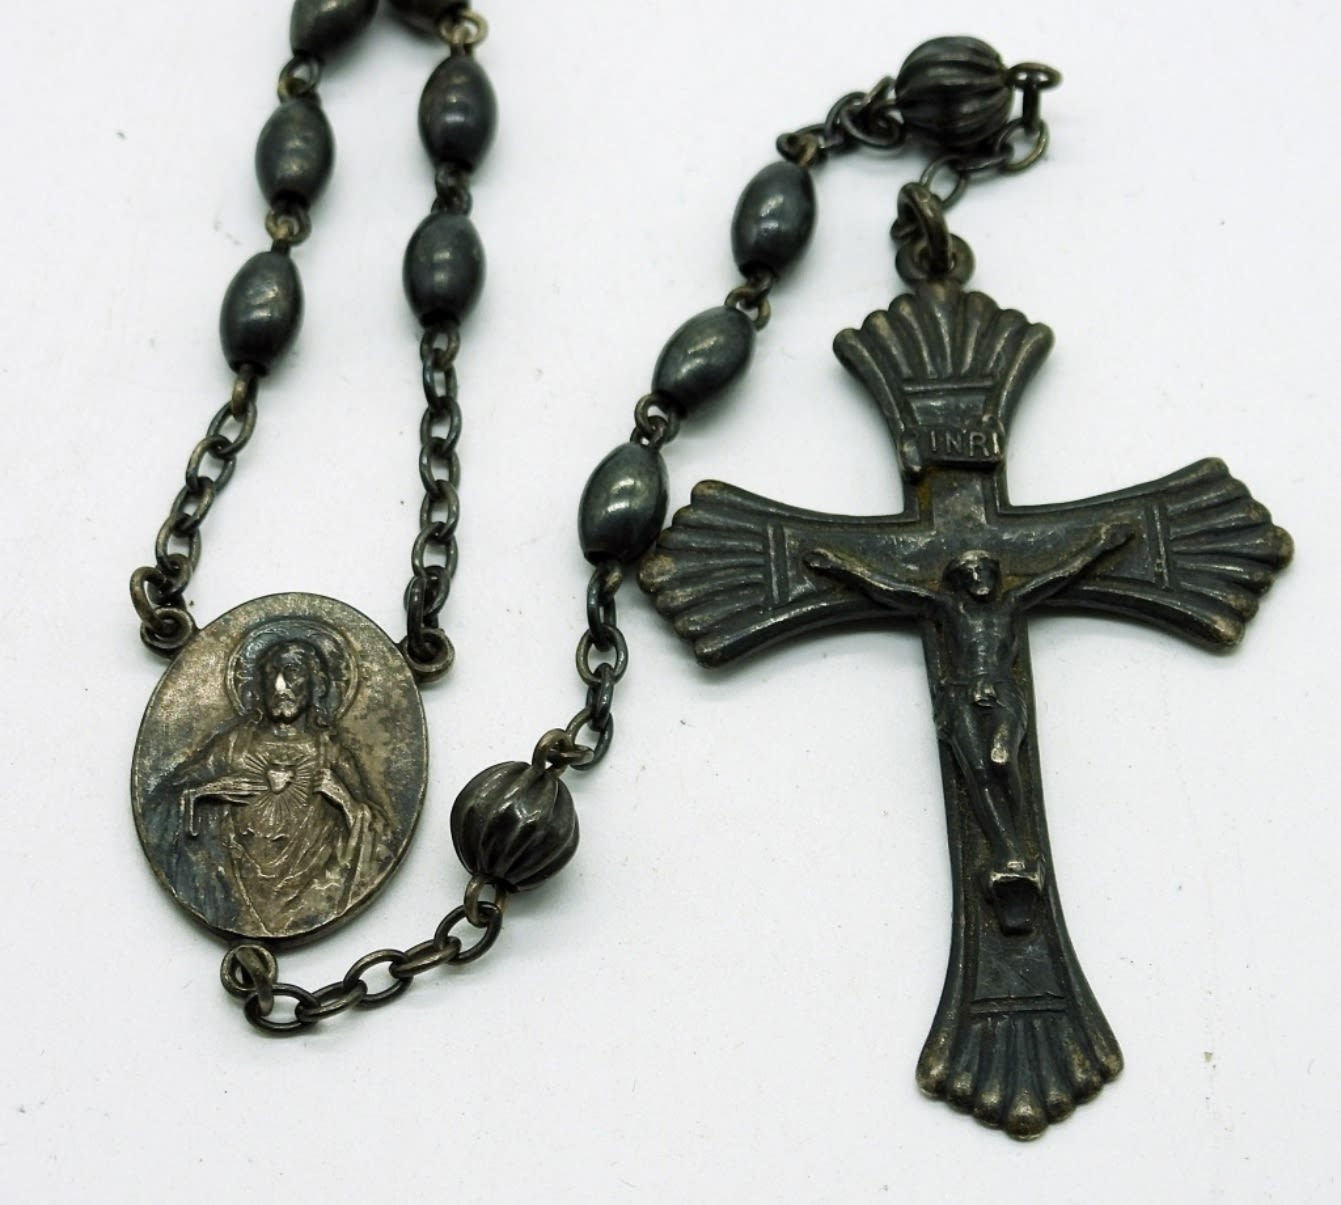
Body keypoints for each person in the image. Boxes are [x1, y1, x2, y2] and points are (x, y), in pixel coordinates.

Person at [807, 525, 1131, 932]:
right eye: (971, 573)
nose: (980, 579)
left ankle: (1018, 841)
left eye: (985, 571)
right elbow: (890, 590)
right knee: (977, 772)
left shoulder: (1011, 603)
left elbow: (1061, 575)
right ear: (959, 581)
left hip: (1002, 690)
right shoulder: (948, 609)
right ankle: (1009, 851)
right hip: (960, 694)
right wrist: (840, 568)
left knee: (1002, 758)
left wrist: (1101, 546)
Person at [150, 636, 391, 937]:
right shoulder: (235, 744)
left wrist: (344, 800)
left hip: (313, 893)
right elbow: (161, 802)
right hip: (231, 888)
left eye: (292, 673)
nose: (279, 686)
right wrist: (204, 793)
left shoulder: (329, 751)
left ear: (316, 685)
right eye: (271, 675)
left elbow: (383, 837)